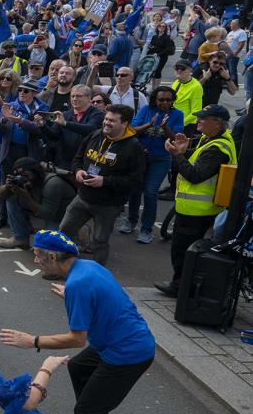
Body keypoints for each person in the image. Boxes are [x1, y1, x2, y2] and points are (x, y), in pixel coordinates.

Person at [0, 230, 155, 414]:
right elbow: (101, 297)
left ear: (52, 256)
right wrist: (71, 295)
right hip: (117, 341)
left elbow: (76, 339)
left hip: (127, 354)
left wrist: (32, 341)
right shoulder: (86, 268)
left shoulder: (79, 285)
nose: (34, 260)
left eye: (37, 255)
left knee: (89, 412)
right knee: (79, 368)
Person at [155, 104, 237, 296]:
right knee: (187, 251)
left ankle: (180, 287)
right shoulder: (212, 139)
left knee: (182, 252)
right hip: (199, 209)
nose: (198, 120)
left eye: (203, 118)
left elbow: (195, 175)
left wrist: (177, 155)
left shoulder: (217, 148)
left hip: (197, 211)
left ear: (217, 123)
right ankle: (184, 286)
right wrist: (184, 152)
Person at [60, 104, 145, 265]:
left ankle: (97, 275)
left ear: (124, 123)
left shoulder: (134, 147)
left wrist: (104, 181)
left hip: (108, 204)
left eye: (112, 121)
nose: (106, 123)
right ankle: (63, 265)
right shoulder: (95, 135)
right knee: (65, 230)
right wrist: (78, 171)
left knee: (99, 240)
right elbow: (78, 158)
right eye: (106, 119)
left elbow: (135, 181)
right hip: (83, 197)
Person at [121, 86, 183, 244]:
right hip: (140, 157)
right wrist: (149, 124)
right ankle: (131, 220)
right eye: (161, 100)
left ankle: (146, 229)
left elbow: (176, 138)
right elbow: (132, 130)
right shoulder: (146, 110)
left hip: (161, 159)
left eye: (168, 100)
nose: (165, 103)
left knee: (150, 192)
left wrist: (164, 127)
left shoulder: (177, 114)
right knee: (135, 189)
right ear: (155, 99)